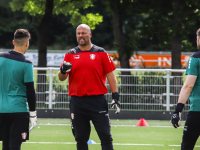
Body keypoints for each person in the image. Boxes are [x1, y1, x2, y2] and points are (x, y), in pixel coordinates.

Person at [58, 24, 120, 150]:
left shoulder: (100, 52)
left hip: (97, 101)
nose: (81, 36)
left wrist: (115, 96)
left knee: (105, 136)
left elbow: (111, 75)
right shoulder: (70, 54)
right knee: (80, 138)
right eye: (79, 33)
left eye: (84, 33)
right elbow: (61, 77)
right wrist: (63, 71)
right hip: (77, 102)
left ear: (90, 35)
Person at [0, 29, 37, 150]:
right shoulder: (26, 63)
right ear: (27, 43)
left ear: (13, 42)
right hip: (18, 110)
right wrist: (33, 114)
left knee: (5, 145)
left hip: (1, 110)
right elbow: (30, 91)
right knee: (15, 146)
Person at [171, 28, 200, 150]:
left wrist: (178, 110)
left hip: (198, 110)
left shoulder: (195, 58)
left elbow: (188, 86)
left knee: (187, 146)